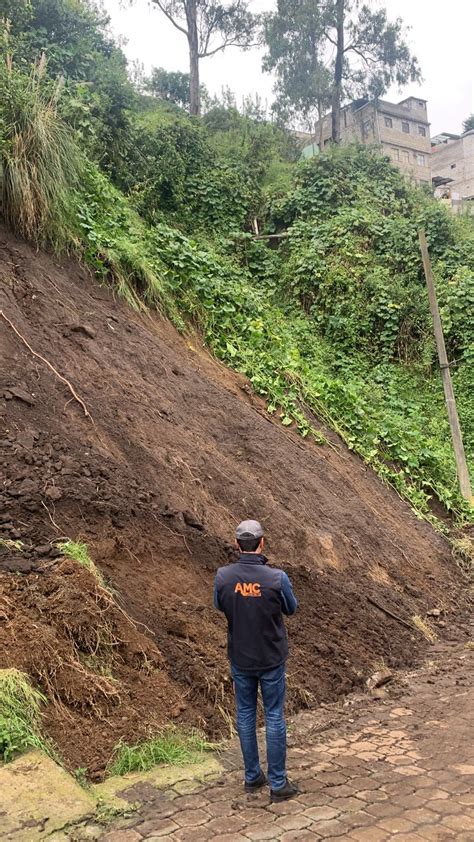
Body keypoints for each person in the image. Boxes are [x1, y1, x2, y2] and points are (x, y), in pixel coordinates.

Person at [214, 519, 298, 803]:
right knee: (274, 715)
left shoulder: (223, 577)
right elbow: (291, 608)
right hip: (271, 657)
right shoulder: (277, 578)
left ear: (237, 545)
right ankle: (278, 783)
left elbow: (219, 604)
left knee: (246, 714)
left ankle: (252, 777)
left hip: (241, 657)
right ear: (262, 543)